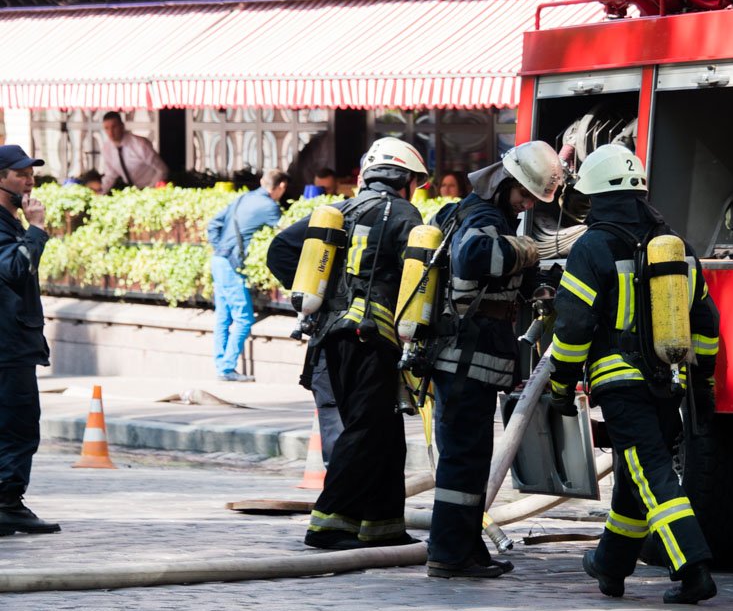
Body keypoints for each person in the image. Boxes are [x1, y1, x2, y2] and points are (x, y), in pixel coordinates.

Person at [547, 143, 721, 604]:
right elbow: (706, 322)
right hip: (668, 382)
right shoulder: (675, 247)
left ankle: (693, 569)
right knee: (635, 475)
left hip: (620, 384)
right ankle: (611, 564)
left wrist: (562, 386)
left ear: (596, 195)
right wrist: (703, 386)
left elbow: (573, 326)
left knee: (653, 475)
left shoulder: (592, 247)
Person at [265, 137, 427, 550]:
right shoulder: (404, 214)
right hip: (373, 338)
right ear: (405, 179)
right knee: (367, 429)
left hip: (332, 337)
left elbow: (281, 250)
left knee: (386, 432)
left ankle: (383, 523)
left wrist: (320, 299)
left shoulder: (338, 212)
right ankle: (329, 524)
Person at [425, 140, 562, 579]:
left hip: (464, 359)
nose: (525, 205)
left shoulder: (475, 212)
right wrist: (531, 250)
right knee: (464, 458)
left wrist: (534, 281)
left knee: (468, 457)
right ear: (505, 182)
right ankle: (448, 554)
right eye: (524, 194)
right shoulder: (482, 217)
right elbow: (474, 257)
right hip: (467, 359)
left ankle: (464, 546)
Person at [0, 145, 60, 537]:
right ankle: (7, 504)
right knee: (19, 426)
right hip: (7, 347)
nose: (29, 180)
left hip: (12, 342)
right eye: (20, 173)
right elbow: (15, 268)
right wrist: (37, 229)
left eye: (30, 173)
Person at [206, 169, 289, 382]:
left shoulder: (243, 198)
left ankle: (220, 365)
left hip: (218, 260)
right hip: (232, 266)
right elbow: (284, 232)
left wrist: (221, 248)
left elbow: (213, 224)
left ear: (263, 182)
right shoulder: (270, 207)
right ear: (281, 187)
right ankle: (226, 368)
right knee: (243, 318)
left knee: (223, 317)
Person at [99, 112, 168, 193]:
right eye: (107, 128)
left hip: (152, 188)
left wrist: (150, 190)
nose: (111, 132)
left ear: (122, 126)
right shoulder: (107, 148)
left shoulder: (139, 144)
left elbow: (162, 170)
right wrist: (100, 193)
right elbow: (110, 175)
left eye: (114, 127)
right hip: (132, 190)